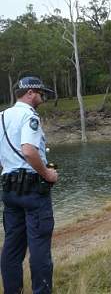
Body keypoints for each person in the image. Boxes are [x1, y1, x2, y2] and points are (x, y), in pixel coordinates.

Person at [0, 76, 58, 294]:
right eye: (42, 93)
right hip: (33, 190)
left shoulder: (2, 116)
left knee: (12, 247)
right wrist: (48, 174)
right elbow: (29, 150)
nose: (43, 97)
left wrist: (9, 170)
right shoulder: (29, 116)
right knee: (39, 247)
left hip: (9, 189)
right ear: (30, 93)